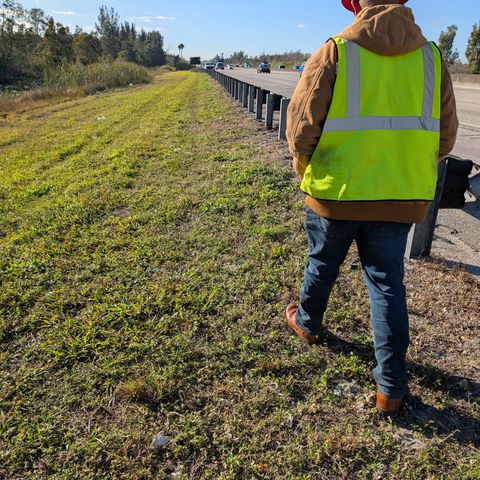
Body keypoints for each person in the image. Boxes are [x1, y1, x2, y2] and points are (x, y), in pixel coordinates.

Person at [285, 0, 458, 416]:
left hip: (336, 192)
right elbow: (446, 135)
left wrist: (306, 166)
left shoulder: (336, 50)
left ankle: (308, 323)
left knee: (322, 263)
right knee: (387, 287)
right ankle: (391, 390)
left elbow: (301, 128)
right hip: (399, 198)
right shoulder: (433, 57)